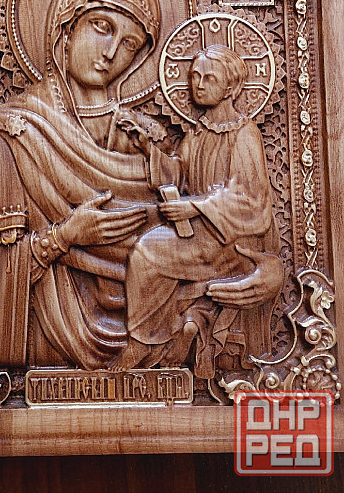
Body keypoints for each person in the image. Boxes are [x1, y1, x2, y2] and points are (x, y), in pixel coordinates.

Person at [0, 0, 165, 369]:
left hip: (149, 344)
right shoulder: (1, 140)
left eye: (129, 43)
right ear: (66, 29)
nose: (111, 53)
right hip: (40, 341)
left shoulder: (145, 142)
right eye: (101, 26)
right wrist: (65, 236)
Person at [113, 44, 283, 377]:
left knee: (147, 253)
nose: (198, 85)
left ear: (230, 87)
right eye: (194, 76)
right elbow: (179, 174)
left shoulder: (243, 134)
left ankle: (145, 342)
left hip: (231, 244)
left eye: (209, 78)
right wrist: (149, 150)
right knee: (138, 239)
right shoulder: (198, 132)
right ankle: (178, 330)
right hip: (201, 235)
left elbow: (250, 200)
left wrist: (193, 207)